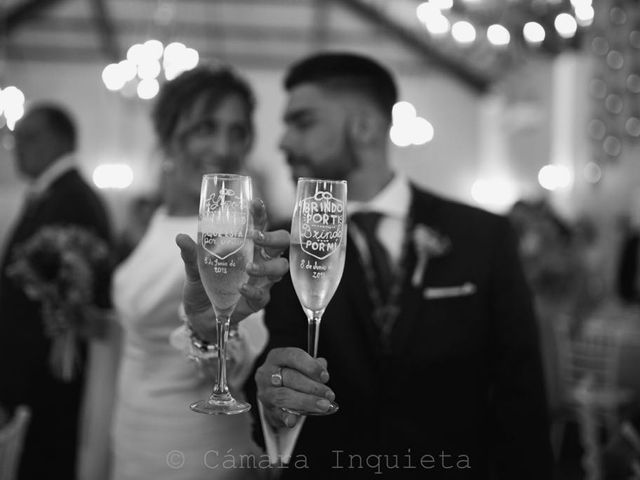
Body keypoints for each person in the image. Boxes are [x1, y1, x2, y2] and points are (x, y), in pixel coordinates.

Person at [247, 52, 553, 478]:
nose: (283, 142)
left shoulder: (482, 235)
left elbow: (521, 391)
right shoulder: (281, 243)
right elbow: (266, 375)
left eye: (303, 122)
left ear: (366, 126)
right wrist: (271, 393)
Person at [106, 64, 287, 480]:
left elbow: (245, 351)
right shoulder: (151, 220)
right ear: (169, 135)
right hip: (133, 440)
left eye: (237, 131)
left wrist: (210, 337)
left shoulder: (235, 235)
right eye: (206, 128)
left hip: (197, 452)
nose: (223, 147)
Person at [0, 104, 112, 480]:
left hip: (47, 379)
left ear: (58, 141)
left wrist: (12, 385)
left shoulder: (72, 200)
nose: (15, 148)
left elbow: (55, 305)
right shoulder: (52, 195)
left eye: (26, 138)